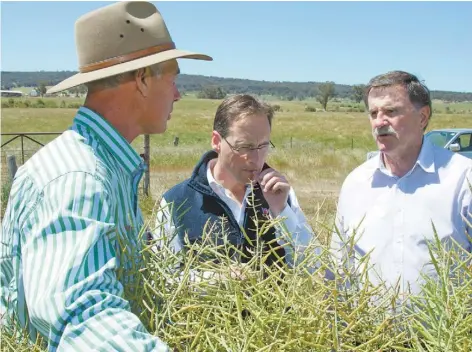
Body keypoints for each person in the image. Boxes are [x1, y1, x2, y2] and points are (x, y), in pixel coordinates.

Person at [0, 1, 212, 350]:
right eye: (174, 78)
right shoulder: (77, 178)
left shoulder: (104, 165)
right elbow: (83, 318)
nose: (177, 93)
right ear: (143, 80)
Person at [328, 70, 472, 296]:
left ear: (423, 117)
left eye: (391, 111)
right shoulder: (355, 183)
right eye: (373, 113)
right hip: (365, 330)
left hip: (446, 330)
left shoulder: (463, 179)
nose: (379, 122)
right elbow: (338, 264)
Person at [153, 94, 319, 279]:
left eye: (263, 146)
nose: (256, 159)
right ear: (216, 141)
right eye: (244, 147)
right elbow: (164, 278)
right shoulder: (176, 201)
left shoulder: (281, 195)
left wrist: (281, 212)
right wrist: (215, 280)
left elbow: (314, 267)